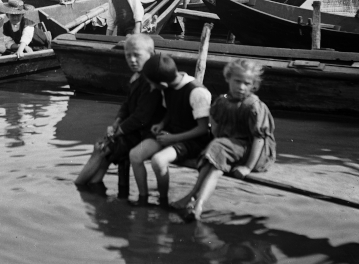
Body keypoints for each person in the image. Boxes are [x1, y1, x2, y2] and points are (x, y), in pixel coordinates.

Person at [172, 58, 276, 222]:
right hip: (227, 149)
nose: (241, 87)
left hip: (252, 152)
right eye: (237, 81)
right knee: (213, 164)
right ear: (228, 79)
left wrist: (247, 168)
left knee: (217, 148)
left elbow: (259, 139)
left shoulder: (254, 106)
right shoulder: (223, 101)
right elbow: (215, 127)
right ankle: (197, 204)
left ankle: (193, 198)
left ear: (254, 85)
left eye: (247, 83)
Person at [74, 34, 164, 198]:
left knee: (105, 149)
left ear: (151, 54)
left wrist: (119, 131)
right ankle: (92, 187)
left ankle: (80, 186)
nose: (132, 60)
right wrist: (116, 122)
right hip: (134, 130)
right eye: (128, 55)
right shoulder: (136, 76)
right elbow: (126, 105)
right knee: (102, 147)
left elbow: (142, 116)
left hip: (148, 132)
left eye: (137, 55)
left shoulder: (150, 80)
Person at [129, 54, 211, 208]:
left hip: (193, 140)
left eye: (151, 84)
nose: (151, 88)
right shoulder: (168, 86)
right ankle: (143, 198)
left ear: (162, 84)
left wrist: (173, 138)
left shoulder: (196, 92)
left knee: (158, 160)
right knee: (135, 155)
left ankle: (163, 200)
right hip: (171, 132)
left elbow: (203, 128)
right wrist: (161, 124)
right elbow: (171, 110)